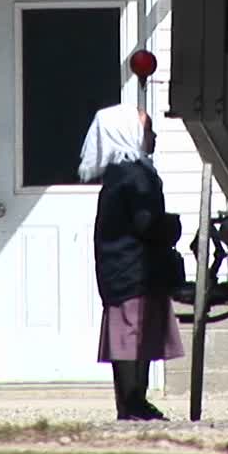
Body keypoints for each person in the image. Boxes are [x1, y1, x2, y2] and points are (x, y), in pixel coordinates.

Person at [77, 104, 185, 421]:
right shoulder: (136, 177)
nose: (153, 136)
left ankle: (133, 403)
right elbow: (145, 223)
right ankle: (132, 401)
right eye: (147, 129)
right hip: (133, 270)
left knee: (139, 335)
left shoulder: (120, 175)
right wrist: (172, 228)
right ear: (128, 133)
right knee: (131, 338)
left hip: (123, 269)